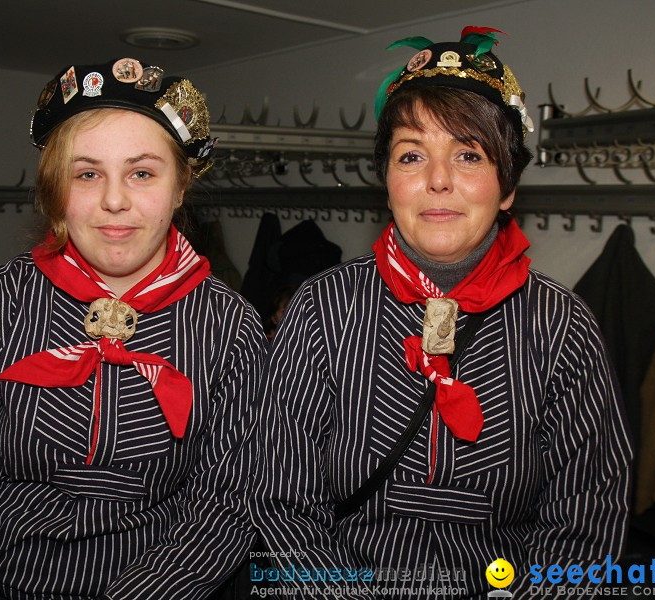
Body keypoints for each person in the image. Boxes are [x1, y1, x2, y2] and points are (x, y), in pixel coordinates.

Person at [249, 27, 632, 598]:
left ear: (507, 187)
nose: (437, 180)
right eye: (411, 155)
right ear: (387, 183)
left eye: (468, 154)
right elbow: (277, 502)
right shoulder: (320, 309)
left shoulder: (562, 326)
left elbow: (587, 520)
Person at [0, 57, 266, 599]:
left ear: (179, 188)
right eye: (87, 173)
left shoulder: (231, 326)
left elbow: (229, 504)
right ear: (56, 188)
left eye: (141, 173)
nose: (114, 200)